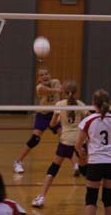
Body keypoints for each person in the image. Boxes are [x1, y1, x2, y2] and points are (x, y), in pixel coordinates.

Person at [32, 80, 88, 208]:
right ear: (76, 91)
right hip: (79, 142)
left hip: (66, 142)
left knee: (53, 169)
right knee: (86, 171)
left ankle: (41, 197)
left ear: (64, 91)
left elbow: (52, 124)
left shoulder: (59, 104)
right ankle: (92, 197)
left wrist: (60, 124)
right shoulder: (81, 105)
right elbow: (89, 119)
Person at [75, 90, 111, 215]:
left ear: (93, 103)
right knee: (108, 198)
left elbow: (78, 144)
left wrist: (81, 151)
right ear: (108, 103)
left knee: (91, 198)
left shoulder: (88, 121)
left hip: (95, 163)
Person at [13, 67, 62, 173]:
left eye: (46, 74)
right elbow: (44, 90)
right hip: (43, 115)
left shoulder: (56, 81)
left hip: (55, 114)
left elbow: (59, 87)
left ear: (50, 75)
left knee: (65, 139)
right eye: (41, 75)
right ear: (38, 79)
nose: (45, 76)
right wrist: (55, 90)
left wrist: (58, 89)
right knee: (35, 139)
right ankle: (18, 161)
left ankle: (77, 165)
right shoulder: (39, 87)